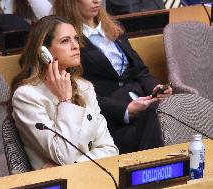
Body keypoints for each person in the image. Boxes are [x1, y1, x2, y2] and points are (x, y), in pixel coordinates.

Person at [53, 0, 173, 154]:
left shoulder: (114, 27)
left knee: (166, 113)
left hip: (142, 102)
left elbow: (140, 71)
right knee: (154, 120)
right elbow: (79, 91)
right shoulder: (69, 42)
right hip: (109, 117)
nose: (97, 1)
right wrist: (124, 110)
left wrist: (155, 90)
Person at [9, 15, 119, 170]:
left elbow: (110, 150)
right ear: (43, 51)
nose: (76, 46)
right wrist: (65, 101)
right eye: (65, 41)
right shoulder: (26, 96)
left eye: (76, 39)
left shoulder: (84, 87)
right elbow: (65, 155)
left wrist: (75, 164)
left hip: (94, 175)